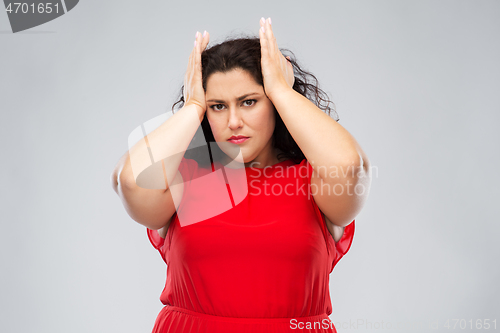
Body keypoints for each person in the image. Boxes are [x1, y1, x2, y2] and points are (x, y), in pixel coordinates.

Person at [111, 17, 371, 333]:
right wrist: (193, 105)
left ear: (274, 104)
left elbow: (351, 168)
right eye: (218, 106)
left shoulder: (315, 180)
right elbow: (130, 181)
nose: (233, 121)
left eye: (249, 102)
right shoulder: (186, 179)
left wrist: (280, 90)